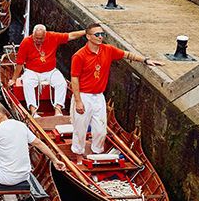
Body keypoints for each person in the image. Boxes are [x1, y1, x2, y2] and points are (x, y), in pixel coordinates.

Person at [69, 22, 163, 157]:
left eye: (102, 34)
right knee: (80, 129)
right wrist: (78, 101)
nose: (101, 37)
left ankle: (96, 154)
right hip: (83, 96)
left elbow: (127, 55)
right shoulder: (79, 56)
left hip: (99, 96)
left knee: (101, 130)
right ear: (88, 37)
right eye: (97, 34)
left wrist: (145, 60)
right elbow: (74, 79)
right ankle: (78, 155)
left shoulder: (107, 50)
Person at [0, 102, 65, 186]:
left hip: (8, 178)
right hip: (25, 175)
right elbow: (38, 143)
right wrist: (55, 160)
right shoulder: (20, 125)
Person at [14, 24, 86, 116]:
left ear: (45, 35)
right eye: (36, 38)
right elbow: (20, 63)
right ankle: (33, 111)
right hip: (32, 71)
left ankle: (58, 110)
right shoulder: (26, 42)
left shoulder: (52, 36)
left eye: (41, 38)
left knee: (62, 83)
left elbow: (70, 36)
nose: (38, 41)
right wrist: (14, 79)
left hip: (51, 71)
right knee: (28, 83)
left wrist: (85, 31)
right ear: (32, 34)